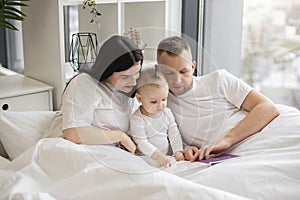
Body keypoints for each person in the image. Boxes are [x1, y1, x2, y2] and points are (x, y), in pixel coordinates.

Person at [156, 36, 280, 162]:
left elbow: (268, 108)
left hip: (261, 131)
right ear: (159, 70)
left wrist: (227, 140)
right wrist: (185, 149)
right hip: (234, 154)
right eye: (169, 73)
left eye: (183, 71)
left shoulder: (219, 80)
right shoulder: (159, 103)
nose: (177, 80)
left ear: (193, 67)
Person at [61, 35, 143, 154]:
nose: (133, 81)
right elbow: (72, 133)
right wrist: (120, 136)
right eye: (125, 77)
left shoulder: (128, 92)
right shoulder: (85, 83)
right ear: (108, 70)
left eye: (136, 73)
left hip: (115, 153)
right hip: (79, 151)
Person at [128, 68, 184, 167]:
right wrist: (158, 156)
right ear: (140, 98)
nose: (160, 105)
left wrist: (178, 150)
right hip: (145, 158)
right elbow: (141, 142)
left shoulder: (167, 113)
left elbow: (174, 132)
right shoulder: (137, 118)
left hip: (166, 156)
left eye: (164, 99)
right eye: (154, 101)